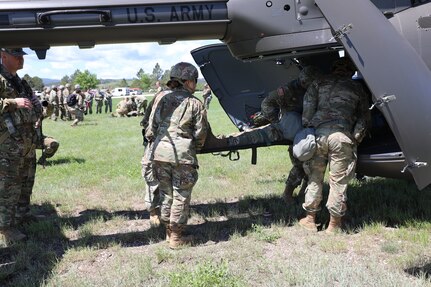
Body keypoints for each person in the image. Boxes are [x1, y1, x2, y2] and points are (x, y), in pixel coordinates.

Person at [299, 57, 371, 233]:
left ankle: (310, 220)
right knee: (338, 181)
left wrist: (309, 128)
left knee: (315, 178)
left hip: (318, 135)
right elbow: (364, 117)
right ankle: (334, 225)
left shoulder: (318, 83)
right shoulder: (357, 88)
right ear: (351, 71)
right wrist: (355, 138)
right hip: (341, 137)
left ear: (333, 69)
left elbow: (307, 110)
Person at [146, 62, 209, 249]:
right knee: (181, 196)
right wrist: (194, 148)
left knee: (166, 194)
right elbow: (201, 132)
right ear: (188, 81)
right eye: (194, 81)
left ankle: (168, 232)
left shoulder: (163, 99)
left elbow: (152, 128)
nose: (195, 85)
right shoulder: (194, 103)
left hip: (159, 155)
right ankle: (176, 237)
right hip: (182, 156)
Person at [259, 66, 322, 203]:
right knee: (300, 163)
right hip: (294, 127)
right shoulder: (287, 90)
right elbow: (266, 104)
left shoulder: (315, 89)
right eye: (306, 84)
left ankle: (305, 189)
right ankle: (287, 193)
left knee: (312, 161)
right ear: (301, 81)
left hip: (308, 126)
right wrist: (277, 122)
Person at [0, 47, 43, 245]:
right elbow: (11, 104)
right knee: (8, 186)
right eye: (16, 56)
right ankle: (5, 228)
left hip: (26, 142)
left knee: (25, 182)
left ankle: (22, 216)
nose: (20, 59)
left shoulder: (21, 82)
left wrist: (38, 104)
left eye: (22, 56)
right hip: (7, 145)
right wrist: (11, 102)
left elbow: (35, 109)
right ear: (3, 56)